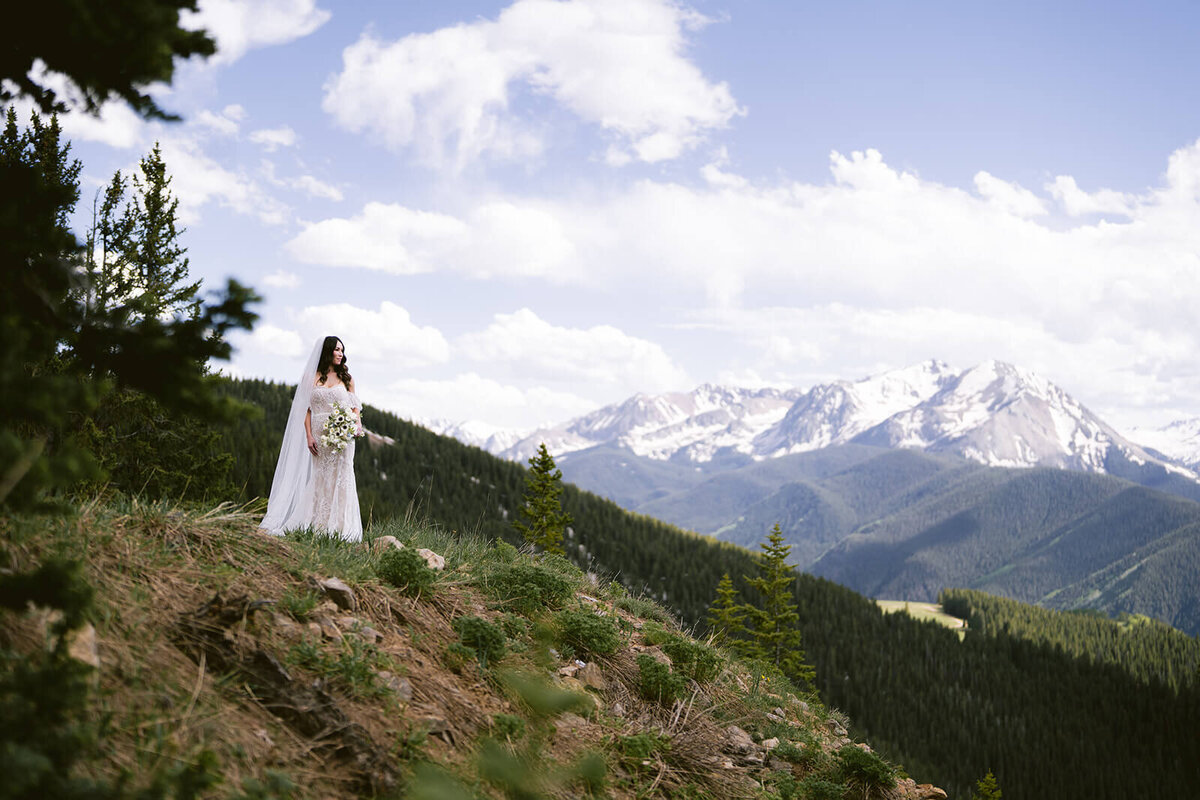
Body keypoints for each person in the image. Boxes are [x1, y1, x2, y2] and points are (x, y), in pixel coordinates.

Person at [260, 335, 364, 541]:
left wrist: (356, 425)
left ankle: (340, 527)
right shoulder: (312, 377)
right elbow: (306, 411)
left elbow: (355, 408)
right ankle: (316, 524)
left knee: (342, 477)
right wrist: (308, 435)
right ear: (327, 351)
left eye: (342, 350)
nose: (340, 353)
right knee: (320, 477)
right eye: (336, 349)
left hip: (342, 436)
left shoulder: (347, 379)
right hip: (319, 435)